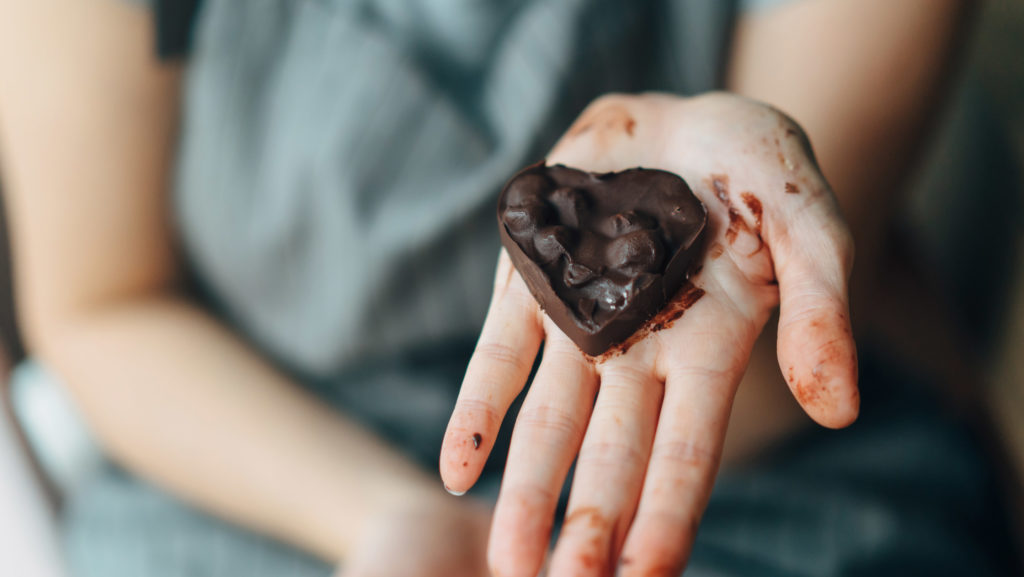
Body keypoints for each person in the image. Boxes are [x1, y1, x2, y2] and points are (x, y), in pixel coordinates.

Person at [0, 0, 1012, 576]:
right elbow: (103, 304)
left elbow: (758, 354)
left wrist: (741, 217)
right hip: (262, 464)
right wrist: (379, 518)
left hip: (736, 465)